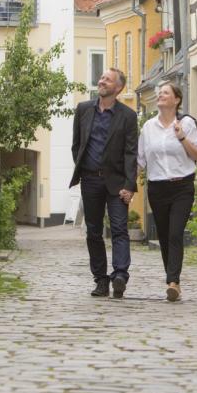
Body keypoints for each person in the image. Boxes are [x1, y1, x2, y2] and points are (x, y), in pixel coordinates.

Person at [70, 68, 138, 298]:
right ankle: (100, 280)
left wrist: (130, 185)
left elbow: (131, 153)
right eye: (101, 78)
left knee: (119, 229)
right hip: (90, 180)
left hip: (117, 182)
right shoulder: (83, 110)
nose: (101, 81)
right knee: (94, 232)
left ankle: (120, 275)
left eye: (107, 80)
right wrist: (83, 169)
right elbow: (76, 145)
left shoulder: (128, 116)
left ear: (118, 88)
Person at [138, 83, 197, 301]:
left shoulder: (187, 123)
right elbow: (140, 161)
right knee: (165, 237)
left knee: (175, 233)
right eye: (160, 93)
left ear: (176, 99)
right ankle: (173, 279)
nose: (160, 95)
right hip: (157, 188)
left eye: (165, 92)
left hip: (182, 186)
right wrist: (125, 183)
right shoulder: (148, 127)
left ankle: (173, 282)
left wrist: (182, 137)